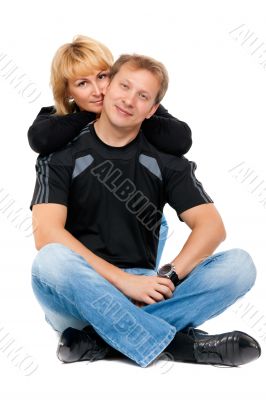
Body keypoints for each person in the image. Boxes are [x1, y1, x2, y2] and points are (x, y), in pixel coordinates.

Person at [30, 53, 261, 368]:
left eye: (143, 96)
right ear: (108, 86)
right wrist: (123, 282)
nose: (129, 100)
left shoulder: (164, 158)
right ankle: (181, 345)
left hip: (144, 286)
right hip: (77, 292)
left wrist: (168, 275)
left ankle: (98, 341)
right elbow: (47, 234)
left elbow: (211, 227)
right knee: (50, 259)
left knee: (240, 267)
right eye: (124, 86)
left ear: (152, 109)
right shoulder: (60, 154)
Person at [28, 35, 192, 267]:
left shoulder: (133, 104)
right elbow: (40, 138)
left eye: (102, 77)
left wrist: (129, 112)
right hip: (83, 227)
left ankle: (140, 284)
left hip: (136, 225)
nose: (98, 91)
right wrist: (92, 114)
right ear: (68, 92)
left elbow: (181, 139)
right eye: (82, 83)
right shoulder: (58, 119)